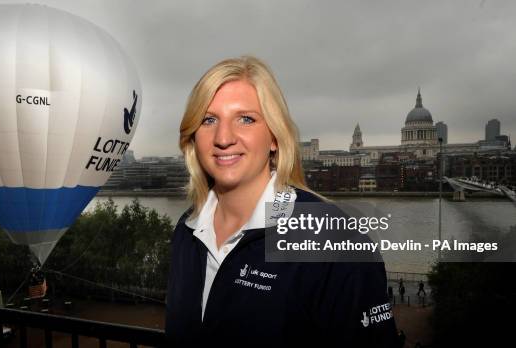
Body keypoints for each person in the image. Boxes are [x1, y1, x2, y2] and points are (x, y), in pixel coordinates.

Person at [165, 56, 399, 347]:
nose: (223, 137)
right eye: (209, 120)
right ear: (193, 136)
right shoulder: (186, 231)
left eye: (246, 119)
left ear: (274, 137)